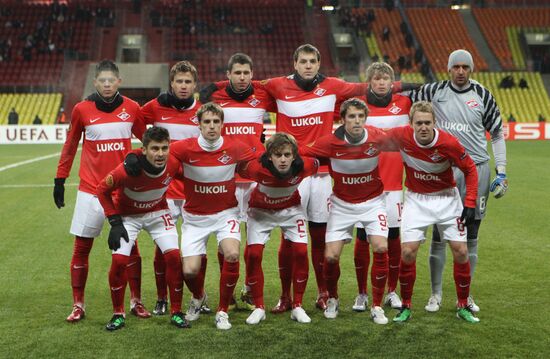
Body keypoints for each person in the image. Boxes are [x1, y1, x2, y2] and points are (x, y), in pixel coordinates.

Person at [409, 49, 508, 313]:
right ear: (449, 68)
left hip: (477, 168)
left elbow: (497, 133)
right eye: (456, 67)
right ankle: (436, 294)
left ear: (471, 69)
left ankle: (466, 295)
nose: (461, 71)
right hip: (446, 169)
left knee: (472, 233)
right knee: (441, 234)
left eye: (465, 67)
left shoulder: (483, 95)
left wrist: (502, 171)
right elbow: (401, 100)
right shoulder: (434, 91)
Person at [54, 59, 147, 322]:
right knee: (82, 247)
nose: (107, 85)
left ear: (119, 81)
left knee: (132, 249)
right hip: (90, 191)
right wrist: (60, 179)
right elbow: (71, 146)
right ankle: (78, 305)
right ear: (95, 82)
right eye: (102, 81)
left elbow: (149, 142)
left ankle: (136, 301)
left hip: (122, 190)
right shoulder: (82, 109)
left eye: (111, 80)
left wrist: (138, 156)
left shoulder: (132, 108)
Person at [387, 101, 480, 323]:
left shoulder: (448, 143)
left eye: (428, 122)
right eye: (419, 123)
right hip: (416, 200)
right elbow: (373, 138)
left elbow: (470, 168)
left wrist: (469, 202)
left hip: (447, 198)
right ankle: (406, 307)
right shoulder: (401, 136)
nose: (423, 127)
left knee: (461, 251)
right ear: (411, 124)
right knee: (408, 252)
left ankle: (462, 304)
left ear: (434, 123)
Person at [300, 98, 391, 325]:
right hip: (341, 205)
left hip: (373, 203)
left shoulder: (378, 137)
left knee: (380, 246)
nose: (356, 121)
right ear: (343, 119)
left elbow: (406, 141)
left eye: (361, 116)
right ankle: (333, 299)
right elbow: (301, 150)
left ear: (366, 118)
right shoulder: (330, 142)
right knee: (330, 256)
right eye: (351, 116)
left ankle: (377, 306)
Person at [169, 102, 256, 330]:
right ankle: (199, 297)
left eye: (216, 122)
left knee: (232, 254)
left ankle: (222, 311)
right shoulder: (183, 148)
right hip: (195, 218)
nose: (211, 126)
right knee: (189, 271)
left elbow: (261, 158)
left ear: (222, 124)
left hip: (225, 213)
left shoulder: (235, 147)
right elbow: (160, 160)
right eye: (206, 122)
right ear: (198, 125)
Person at [201, 52, 275, 311]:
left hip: (255, 177)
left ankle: (249, 287)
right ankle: (228, 292)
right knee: (226, 236)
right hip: (227, 177)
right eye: (237, 73)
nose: (242, 78)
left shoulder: (262, 95)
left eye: (246, 73)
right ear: (228, 75)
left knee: (254, 237)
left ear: (252, 75)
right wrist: (214, 87)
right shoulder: (216, 98)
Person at [96, 127, 190, 331]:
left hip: (158, 213)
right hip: (128, 217)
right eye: (155, 149)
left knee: (174, 256)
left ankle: (176, 311)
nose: (160, 154)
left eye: (165, 148)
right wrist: (114, 221)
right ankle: (118, 313)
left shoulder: (173, 163)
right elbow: (102, 190)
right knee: (119, 260)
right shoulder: (125, 170)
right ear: (144, 150)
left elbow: (191, 175)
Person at [140, 60, 205, 316]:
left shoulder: (202, 113)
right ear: (171, 83)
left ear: (195, 85)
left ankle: (198, 296)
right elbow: (135, 122)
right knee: (162, 247)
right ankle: (161, 297)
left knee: (198, 247)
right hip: (164, 190)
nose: (183, 86)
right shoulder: (156, 107)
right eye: (179, 81)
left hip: (192, 189)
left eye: (188, 81)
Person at [238, 133, 319, 325]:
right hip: (260, 212)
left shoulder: (306, 166)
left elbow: (321, 160)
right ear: (269, 157)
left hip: (291, 211)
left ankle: (297, 305)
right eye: (277, 155)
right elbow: (239, 168)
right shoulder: (256, 169)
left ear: (294, 156)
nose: (283, 160)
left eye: (287, 155)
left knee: (300, 251)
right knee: (254, 255)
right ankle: (259, 307)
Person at [353, 62, 412, 312]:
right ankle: (362, 293)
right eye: (376, 78)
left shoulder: (405, 103)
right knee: (364, 237)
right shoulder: (357, 106)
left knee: (393, 238)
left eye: (385, 78)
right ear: (369, 82)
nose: (380, 82)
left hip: (394, 184)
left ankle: (391, 291)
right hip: (364, 183)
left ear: (392, 82)